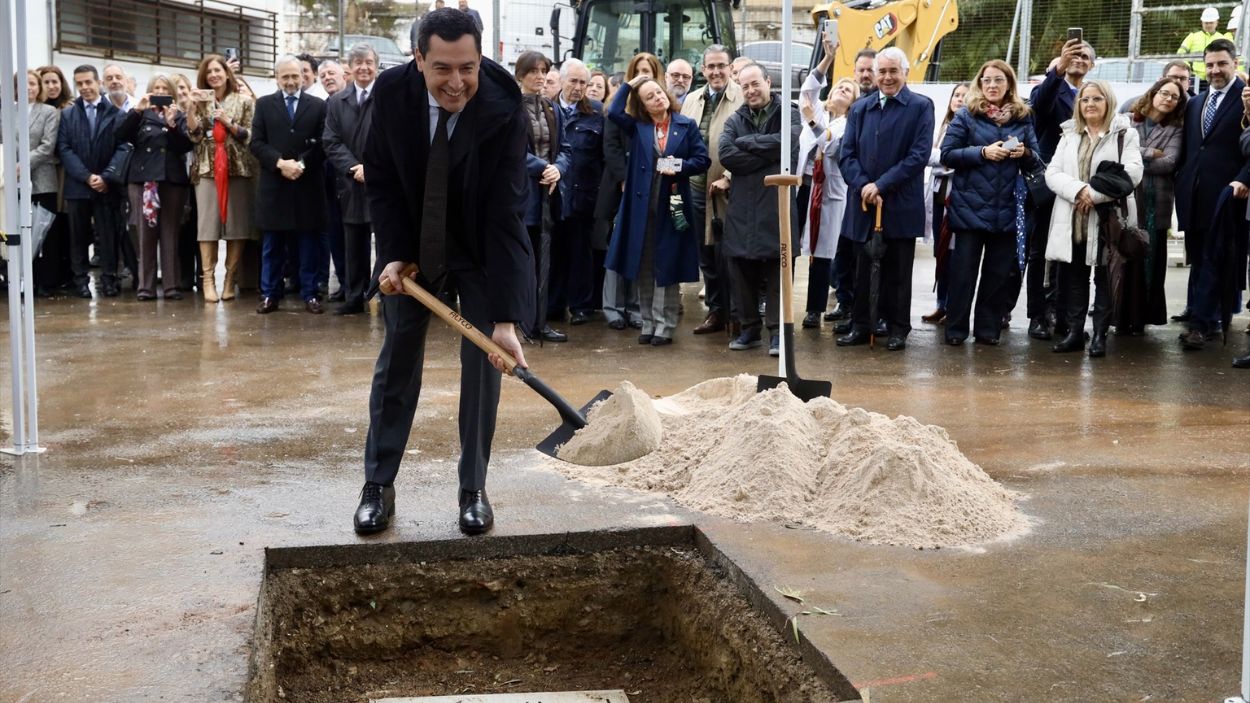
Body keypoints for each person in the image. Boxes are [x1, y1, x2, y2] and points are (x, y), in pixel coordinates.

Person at [352, 7, 534, 536]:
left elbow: (506, 213)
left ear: (480, 59)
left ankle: (473, 488)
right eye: (443, 69)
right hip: (412, 244)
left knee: (483, 363)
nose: (457, 82)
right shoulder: (392, 93)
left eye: (468, 68)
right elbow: (382, 178)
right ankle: (377, 485)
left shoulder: (503, 105)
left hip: (477, 246)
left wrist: (505, 319)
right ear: (418, 60)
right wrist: (393, 253)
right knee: (397, 359)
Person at [836, 47, 934, 351]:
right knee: (861, 269)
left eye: (894, 71)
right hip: (863, 203)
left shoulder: (920, 107)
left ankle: (897, 328)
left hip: (900, 203)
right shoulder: (860, 108)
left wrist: (881, 185)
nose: (887, 77)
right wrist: (864, 185)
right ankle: (861, 324)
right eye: (882, 71)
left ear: (905, 73)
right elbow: (847, 154)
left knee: (898, 272)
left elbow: (918, 156)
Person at [939, 60, 1040, 346]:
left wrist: (1024, 153)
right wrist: (982, 152)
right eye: (987, 80)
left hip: (1007, 209)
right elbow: (947, 154)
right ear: (980, 84)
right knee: (963, 274)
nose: (992, 85)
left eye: (998, 80)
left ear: (1009, 84)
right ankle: (956, 330)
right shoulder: (966, 115)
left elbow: (1037, 160)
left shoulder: (1023, 117)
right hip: (969, 207)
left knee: (997, 275)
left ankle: (987, 330)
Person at [606, 74, 709, 346]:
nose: (657, 98)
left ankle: (665, 325)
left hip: (672, 204)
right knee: (644, 264)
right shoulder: (638, 126)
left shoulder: (685, 125)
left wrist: (679, 166)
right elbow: (614, 111)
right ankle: (648, 323)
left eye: (659, 93)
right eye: (649, 97)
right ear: (642, 105)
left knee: (667, 265)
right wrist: (629, 85)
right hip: (641, 206)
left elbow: (702, 160)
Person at [1044, 80, 1143, 357]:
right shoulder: (1069, 133)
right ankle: (1075, 333)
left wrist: (1095, 195)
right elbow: (1052, 172)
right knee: (1075, 279)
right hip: (1074, 218)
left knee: (1104, 279)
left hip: (1107, 221)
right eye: (1085, 99)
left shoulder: (1124, 134)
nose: (1090, 104)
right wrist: (1079, 191)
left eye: (1097, 98)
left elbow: (1133, 173)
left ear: (1108, 101)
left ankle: (1100, 335)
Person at [719, 62, 801, 356]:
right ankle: (749, 329)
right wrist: (768, 156)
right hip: (742, 208)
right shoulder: (735, 119)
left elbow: (789, 143)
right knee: (740, 270)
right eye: (745, 86)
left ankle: (778, 332)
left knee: (779, 271)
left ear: (768, 82)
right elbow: (726, 155)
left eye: (756, 83)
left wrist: (748, 142)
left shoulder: (788, 112)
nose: (751, 90)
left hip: (776, 205)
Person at [1174, 38, 1249, 350]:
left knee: (1215, 259)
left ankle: (1202, 325)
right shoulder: (1195, 103)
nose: (1215, 70)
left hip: (1228, 196)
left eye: (1222, 64)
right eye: (1210, 65)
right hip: (1193, 197)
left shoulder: (1245, 96)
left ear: (1235, 63)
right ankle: (1205, 315)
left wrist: (1244, 179)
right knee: (1199, 259)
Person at [1027, 37, 1096, 341]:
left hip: (1082, 186)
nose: (1078, 59)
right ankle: (1038, 315)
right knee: (1042, 251)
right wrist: (1058, 70)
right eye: (1073, 55)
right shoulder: (1049, 89)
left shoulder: (1093, 95)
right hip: (1050, 184)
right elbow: (1041, 105)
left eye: (1084, 56)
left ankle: (1065, 314)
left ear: (1092, 64)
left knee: (1073, 253)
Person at [250, 55, 329, 314]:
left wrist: (301, 164)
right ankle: (270, 294)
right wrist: (280, 163)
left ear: (303, 77)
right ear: (277, 78)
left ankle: (310, 294)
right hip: (275, 186)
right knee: (272, 246)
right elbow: (256, 143)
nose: (291, 81)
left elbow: (324, 143)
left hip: (307, 185)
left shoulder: (318, 106)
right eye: (285, 77)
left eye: (295, 76)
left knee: (308, 245)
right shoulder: (264, 105)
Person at [680, 44, 744, 336]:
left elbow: (748, 142)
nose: (716, 72)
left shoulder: (742, 97)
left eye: (722, 66)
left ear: (730, 68)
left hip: (730, 189)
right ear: (703, 70)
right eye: (711, 66)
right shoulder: (692, 99)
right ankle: (716, 312)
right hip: (696, 188)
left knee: (729, 254)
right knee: (705, 253)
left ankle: (737, 315)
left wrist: (729, 176)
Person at [597, 53, 664, 331]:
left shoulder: (659, 109)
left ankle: (636, 307)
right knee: (617, 246)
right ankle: (613, 308)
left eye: (648, 72)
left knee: (642, 248)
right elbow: (611, 146)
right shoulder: (619, 108)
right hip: (620, 187)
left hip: (650, 191)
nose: (643, 77)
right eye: (638, 72)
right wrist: (625, 178)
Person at [115, 74, 194, 300]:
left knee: (170, 234)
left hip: (171, 179)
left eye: (164, 89)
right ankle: (145, 287)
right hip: (143, 180)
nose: (160, 92)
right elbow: (120, 135)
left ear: (171, 93)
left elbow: (185, 146)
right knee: (145, 235)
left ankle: (171, 286)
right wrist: (136, 111)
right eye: (156, 88)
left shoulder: (178, 115)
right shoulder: (140, 114)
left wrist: (172, 125)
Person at [796, 31, 856, 327]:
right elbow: (807, 92)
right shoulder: (818, 110)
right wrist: (828, 58)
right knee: (790, 244)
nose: (843, 90)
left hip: (827, 191)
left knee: (822, 253)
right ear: (830, 94)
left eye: (849, 90)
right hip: (802, 186)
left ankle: (814, 309)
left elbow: (830, 145)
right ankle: (779, 300)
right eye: (840, 86)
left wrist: (811, 121)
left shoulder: (849, 124)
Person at [57, 64, 131, 299]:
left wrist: (106, 176)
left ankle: (109, 279)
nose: (84, 87)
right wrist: (86, 176)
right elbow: (64, 148)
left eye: (88, 82)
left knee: (108, 235)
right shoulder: (68, 115)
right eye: (79, 83)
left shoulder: (117, 114)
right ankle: (80, 280)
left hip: (106, 186)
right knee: (78, 236)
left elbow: (123, 147)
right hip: (78, 186)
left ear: (98, 83)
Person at [188, 54, 256, 303]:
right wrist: (190, 109)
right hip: (207, 167)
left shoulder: (244, 101)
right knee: (207, 225)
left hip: (237, 167)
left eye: (218, 70)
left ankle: (230, 278)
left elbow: (250, 135)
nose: (214, 75)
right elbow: (195, 135)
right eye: (209, 72)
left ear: (227, 73)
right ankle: (208, 280)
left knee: (237, 226)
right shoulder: (201, 101)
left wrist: (229, 123)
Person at [1121, 77, 1186, 334]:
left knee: (1151, 260)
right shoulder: (1128, 120)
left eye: (1175, 97)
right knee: (1124, 258)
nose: (1168, 99)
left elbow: (1169, 163)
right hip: (1127, 199)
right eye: (1165, 93)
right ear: (1154, 93)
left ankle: (1142, 318)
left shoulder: (1176, 128)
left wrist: (1136, 156)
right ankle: (1120, 317)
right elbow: (1119, 155)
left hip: (1157, 203)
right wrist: (1150, 152)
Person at [515, 50, 570, 341]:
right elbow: (510, 152)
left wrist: (558, 168)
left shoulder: (552, 108)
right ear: (520, 75)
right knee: (523, 262)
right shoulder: (511, 108)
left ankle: (539, 322)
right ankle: (524, 323)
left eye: (544, 71)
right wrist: (543, 167)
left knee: (544, 259)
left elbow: (566, 148)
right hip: (522, 196)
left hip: (549, 194)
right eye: (534, 71)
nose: (540, 77)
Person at [548, 58, 604, 326]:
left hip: (583, 194)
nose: (578, 87)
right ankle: (553, 305)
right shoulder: (547, 109)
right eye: (573, 81)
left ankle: (581, 306)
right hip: (553, 194)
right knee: (554, 252)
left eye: (584, 82)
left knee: (581, 252)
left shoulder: (596, 112)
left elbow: (603, 155)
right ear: (561, 81)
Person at [323, 43, 378, 315]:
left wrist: (372, 167)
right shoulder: (337, 101)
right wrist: (354, 167)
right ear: (350, 68)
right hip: (351, 182)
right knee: (354, 244)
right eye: (358, 63)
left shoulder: (386, 97)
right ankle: (355, 296)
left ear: (376, 66)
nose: (363, 67)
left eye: (368, 62)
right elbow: (330, 141)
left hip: (381, 181)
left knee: (387, 243)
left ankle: (385, 296)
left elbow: (395, 137)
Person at [827, 49, 880, 330]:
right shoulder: (853, 110)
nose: (866, 74)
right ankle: (845, 303)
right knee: (845, 253)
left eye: (871, 69)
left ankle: (868, 314)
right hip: (854, 191)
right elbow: (846, 153)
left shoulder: (882, 104)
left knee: (867, 258)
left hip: (879, 193)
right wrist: (860, 183)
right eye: (861, 70)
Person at [922, 81, 969, 324]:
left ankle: (953, 307)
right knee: (940, 254)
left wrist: (945, 158)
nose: (959, 99)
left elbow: (951, 158)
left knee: (955, 256)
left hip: (959, 200)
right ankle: (941, 304)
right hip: (938, 197)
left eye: (965, 95)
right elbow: (930, 155)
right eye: (956, 95)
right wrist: (945, 159)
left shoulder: (973, 126)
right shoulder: (944, 126)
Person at [19, 70, 62, 297]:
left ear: (39, 87)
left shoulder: (49, 112)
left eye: (32, 83)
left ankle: (46, 280)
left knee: (45, 232)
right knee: (19, 230)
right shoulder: (7, 111)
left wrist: (22, 164)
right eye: (22, 83)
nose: (28, 87)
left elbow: (47, 146)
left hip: (42, 178)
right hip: (13, 179)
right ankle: (21, 278)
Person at [1178, 8, 1231, 87]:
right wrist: (1188, 69)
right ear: (1202, 22)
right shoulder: (1192, 37)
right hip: (1195, 78)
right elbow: (1180, 54)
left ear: (1217, 22)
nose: (1208, 25)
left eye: (1211, 23)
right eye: (1206, 23)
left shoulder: (1223, 39)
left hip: (1216, 76)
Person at [1120, 61, 1192, 112]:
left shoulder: (1194, 109)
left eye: (1183, 79)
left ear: (1188, 84)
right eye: (1173, 77)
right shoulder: (1134, 105)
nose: (1178, 82)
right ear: (1161, 80)